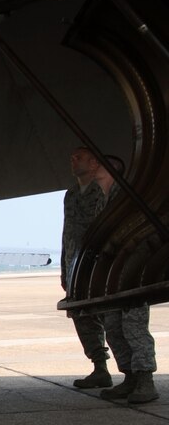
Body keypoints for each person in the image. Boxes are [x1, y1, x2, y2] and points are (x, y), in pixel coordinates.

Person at [94, 155, 160, 404]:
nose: (94, 166)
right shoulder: (103, 199)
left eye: (99, 163)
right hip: (113, 276)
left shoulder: (128, 197)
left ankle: (145, 379)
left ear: (112, 169)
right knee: (113, 326)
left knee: (133, 326)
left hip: (132, 273)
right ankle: (130, 377)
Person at [62, 147, 113, 389]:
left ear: (94, 163)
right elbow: (66, 234)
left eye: (78, 157)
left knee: (110, 316)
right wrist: (65, 268)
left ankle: (134, 371)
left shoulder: (103, 190)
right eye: (72, 158)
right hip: (75, 265)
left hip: (99, 264)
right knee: (82, 316)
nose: (73, 160)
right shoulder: (71, 194)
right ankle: (99, 367)